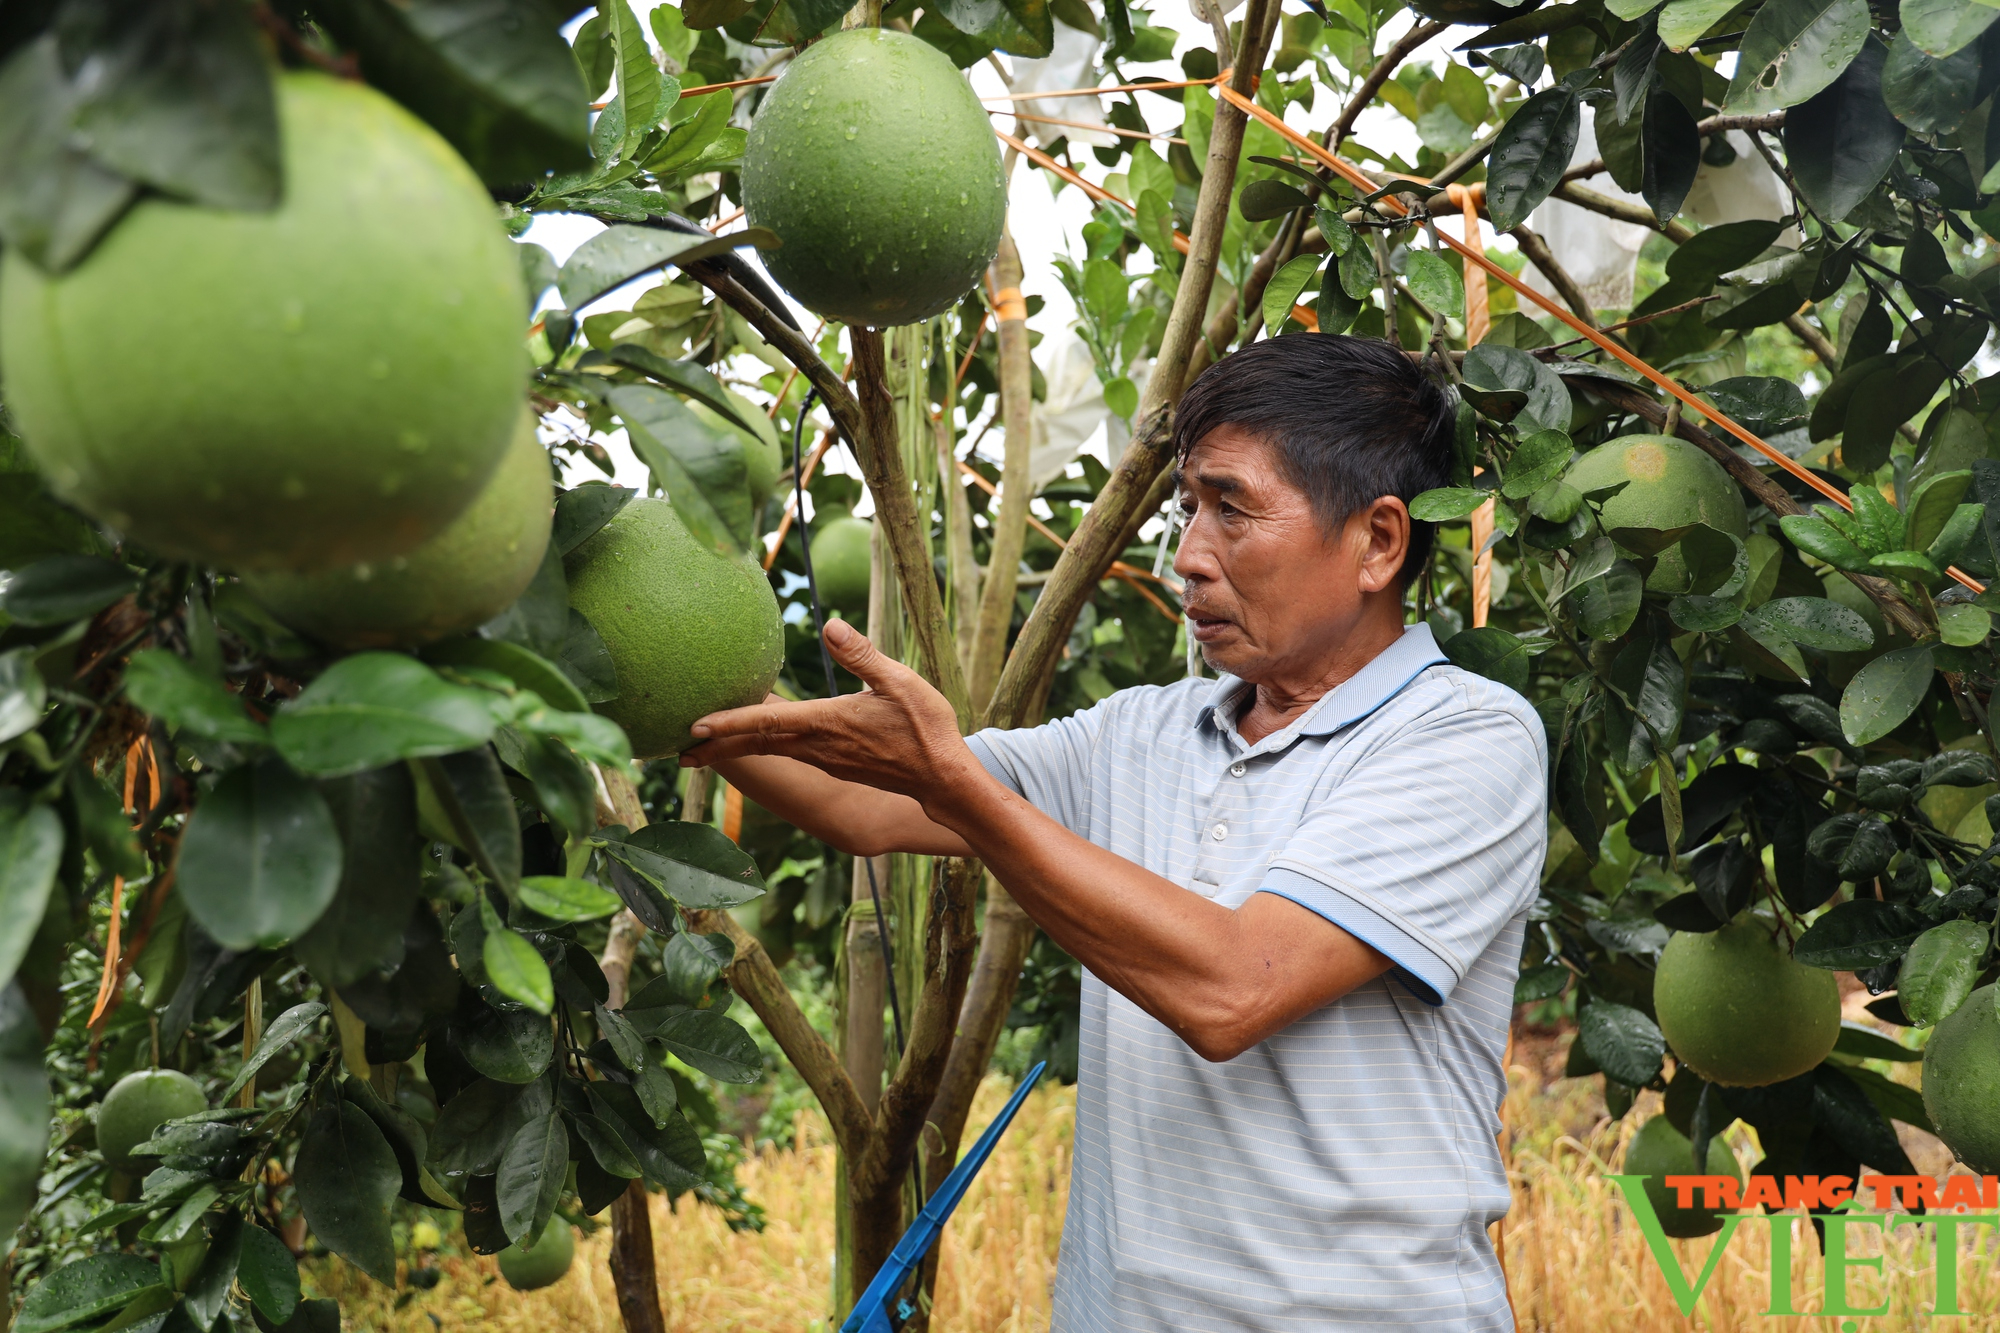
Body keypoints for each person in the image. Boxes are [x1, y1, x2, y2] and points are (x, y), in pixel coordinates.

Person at [684, 333, 1547, 1332]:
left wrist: (959, 782)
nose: (1186, 555)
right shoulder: (1141, 732)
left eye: (1232, 508)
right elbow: (863, 803)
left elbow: (1233, 986)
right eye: (1188, 508)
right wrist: (646, 677)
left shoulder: (1463, 739)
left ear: (1378, 542)